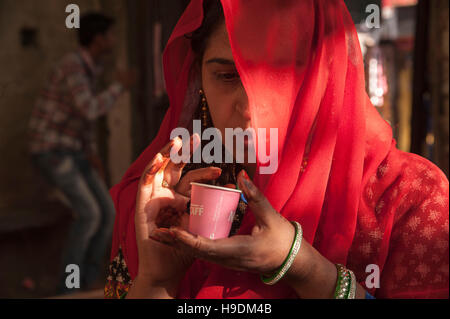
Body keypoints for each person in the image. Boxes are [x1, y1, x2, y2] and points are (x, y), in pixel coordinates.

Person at [105, 0, 449, 299]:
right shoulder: (166, 205)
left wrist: (303, 267)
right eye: (227, 76)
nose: (250, 108)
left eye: (278, 76)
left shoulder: (408, 197)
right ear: (198, 81)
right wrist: (157, 280)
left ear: (326, 75)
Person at [29, 12, 135, 294]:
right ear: (98, 39)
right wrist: (120, 87)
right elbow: (88, 108)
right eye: (110, 35)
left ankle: (87, 281)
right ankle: (70, 286)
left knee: (108, 213)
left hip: (74, 152)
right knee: (89, 214)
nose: (113, 40)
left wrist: (91, 155)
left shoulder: (90, 68)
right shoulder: (73, 66)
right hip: (53, 151)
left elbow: (81, 120)